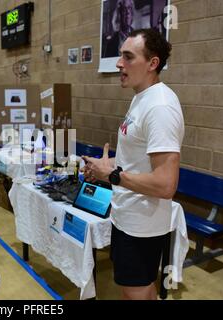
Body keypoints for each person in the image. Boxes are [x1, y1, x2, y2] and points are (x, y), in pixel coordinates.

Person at [82, 29, 184, 300]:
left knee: (135, 293)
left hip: (143, 225)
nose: (119, 64)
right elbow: (137, 161)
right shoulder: (142, 98)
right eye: (120, 56)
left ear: (153, 63)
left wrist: (112, 175)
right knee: (138, 289)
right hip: (127, 216)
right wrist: (104, 167)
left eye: (128, 57)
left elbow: (166, 184)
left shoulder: (160, 107)